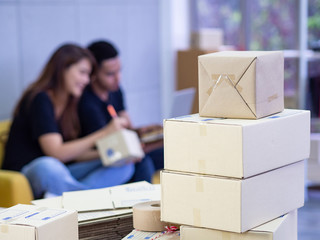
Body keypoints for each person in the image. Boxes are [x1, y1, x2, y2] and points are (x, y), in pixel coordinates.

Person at [2, 43, 137, 199]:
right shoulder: (40, 98)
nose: (86, 80)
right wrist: (105, 132)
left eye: (88, 75)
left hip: (62, 171)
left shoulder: (70, 103)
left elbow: (75, 155)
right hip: (28, 173)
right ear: (63, 69)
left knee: (123, 167)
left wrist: (119, 155)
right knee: (48, 166)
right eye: (82, 73)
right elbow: (56, 152)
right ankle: (83, 200)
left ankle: (75, 199)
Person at [78, 40, 164, 182]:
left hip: (125, 149)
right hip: (107, 156)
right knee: (143, 162)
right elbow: (109, 145)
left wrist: (146, 132)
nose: (118, 78)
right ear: (93, 74)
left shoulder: (115, 91)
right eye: (110, 74)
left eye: (119, 71)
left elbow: (129, 129)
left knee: (172, 151)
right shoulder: (87, 104)